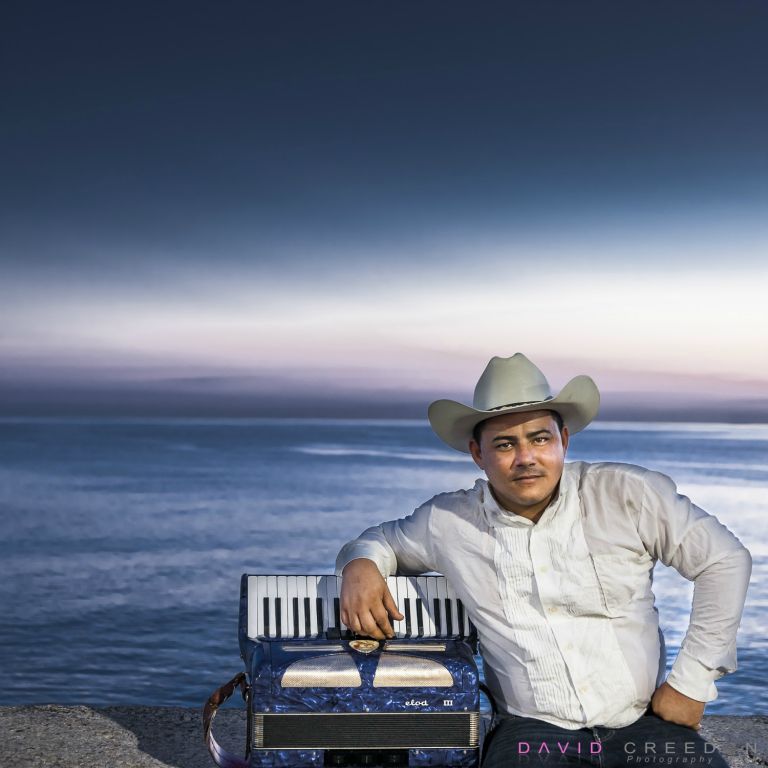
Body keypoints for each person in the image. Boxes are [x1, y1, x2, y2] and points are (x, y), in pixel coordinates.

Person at [336, 354, 751, 768]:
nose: (526, 458)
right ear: (478, 454)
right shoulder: (447, 522)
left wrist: (691, 683)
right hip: (531, 733)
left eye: (540, 439)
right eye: (504, 444)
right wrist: (360, 564)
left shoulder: (628, 494)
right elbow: (379, 542)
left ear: (563, 441)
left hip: (642, 722)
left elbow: (724, 560)